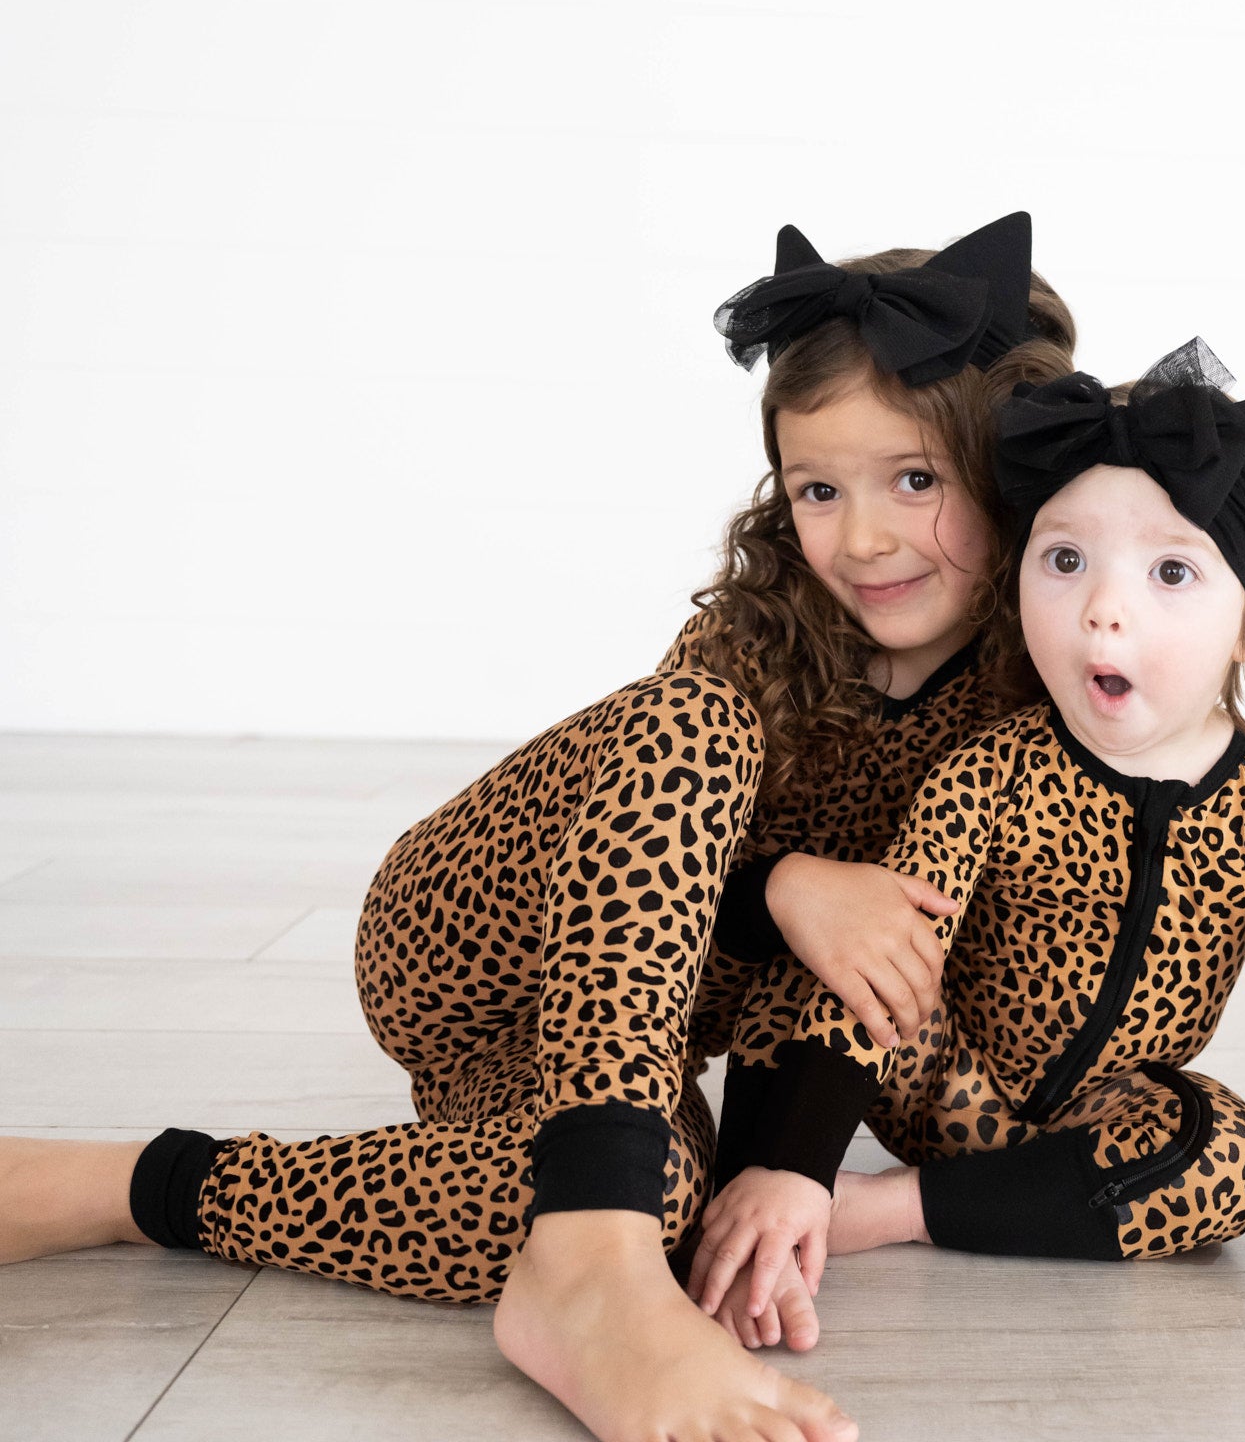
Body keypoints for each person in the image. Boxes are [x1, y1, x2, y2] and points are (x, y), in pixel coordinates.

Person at [0, 214, 1076, 1442]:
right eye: (818, 489)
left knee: (642, 1186)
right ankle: (598, 1270)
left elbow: (847, 978)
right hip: (475, 937)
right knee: (693, 729)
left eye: (916, 480)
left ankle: (120, 1187)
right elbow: (649, 829)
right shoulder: (761, 634)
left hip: (603, 1056)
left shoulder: (1029, 702)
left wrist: (796, 1158)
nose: (864, 536)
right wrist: (779, 884)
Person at [691, 337, 1245, 1353]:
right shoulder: (991, 770)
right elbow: (890, 950)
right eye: (1064, 559)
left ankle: (891, 1209)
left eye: (1170, 570)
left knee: (1226, 1158)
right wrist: (791, 1155)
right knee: (831, 957)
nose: (1101, 607)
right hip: (936, 1066)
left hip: (1105, 1110)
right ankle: (771, 1187)